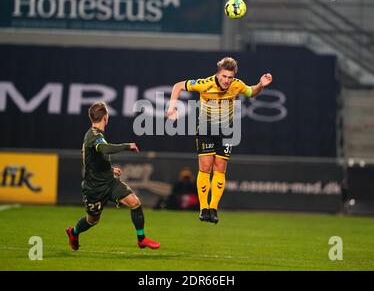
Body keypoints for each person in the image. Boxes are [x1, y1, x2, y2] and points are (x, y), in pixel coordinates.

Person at [167, 57, 272, 224]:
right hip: (206, 130)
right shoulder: (205, 84)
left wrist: (260, 85)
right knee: (206, 166)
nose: (227, 80)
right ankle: (203, 208)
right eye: (224, 76)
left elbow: (251, 92)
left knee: (220, 168)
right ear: (218, 74)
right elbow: (178, 86)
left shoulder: (237, 85)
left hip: (226, 131)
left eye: (230, 77)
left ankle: (213, 208)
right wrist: (172, 107)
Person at [66, 102, 160, 250]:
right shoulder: (93, 135)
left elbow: (95, 159)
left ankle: (141, 239)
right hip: (94, 188)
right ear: (106, 117)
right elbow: (104, 149)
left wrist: (110, 170)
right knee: (92, 221)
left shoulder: (96, 134)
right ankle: (74, 232)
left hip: (109, 182)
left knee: (135, 202)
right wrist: (127, 146)